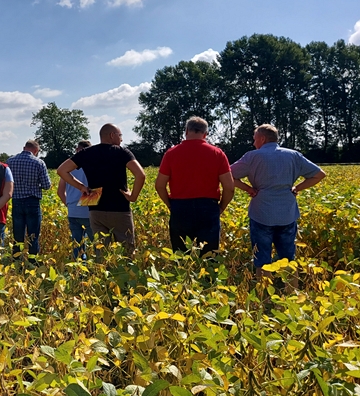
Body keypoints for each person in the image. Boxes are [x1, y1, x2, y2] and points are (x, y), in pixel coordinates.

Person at [231, 124, 326, 284]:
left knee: (261, 256)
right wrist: (297, 188)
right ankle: (291, 291)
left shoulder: (252, 156)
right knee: (288, 256)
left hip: (261, 212)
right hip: (287, 213)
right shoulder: (294, 155)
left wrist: (249, 189)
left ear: (262, 139)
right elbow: (319, 174)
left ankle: (264, 295)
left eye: (255, 139)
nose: (254, 143)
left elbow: (227, 175)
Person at [57, 124, 145, 256]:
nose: (121, 139)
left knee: (102, 252)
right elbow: (140, 175)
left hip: (95, 209)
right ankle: (124, 275)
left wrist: (81, 187)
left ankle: (103, 275)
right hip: (119, 208)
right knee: (127, 251)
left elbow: (61, 170)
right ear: (111, 135)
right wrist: (133, 196)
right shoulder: (121, 152)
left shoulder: (86, 153)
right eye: (120, 136)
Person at [154, 117, 234, 255]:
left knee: (182, 255)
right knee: (209, 256)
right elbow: (229, 187)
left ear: (186, 131)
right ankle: (207, 277)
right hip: (208, 207)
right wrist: (221, 207)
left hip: (180, 207)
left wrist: (169, 204)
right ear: (205, 134)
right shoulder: (217, 153)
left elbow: (159, 185)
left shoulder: (171, 153)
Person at [7, 140, 52, 258]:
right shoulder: (39, 163)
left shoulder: (10, 161)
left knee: (18, 236)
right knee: (33, 236)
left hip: (16, 201)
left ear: (24, 147)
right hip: (32, 202)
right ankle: (33, 261)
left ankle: (17, 261)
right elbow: (47, 185)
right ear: (36, 151)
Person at [57, 140, 92, 259]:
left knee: (77, 244)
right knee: (96, 244)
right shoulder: (92, 166)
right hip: (88, 210)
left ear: (77, 150)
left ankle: (78, 269)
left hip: (73, 211)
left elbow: (60, 192)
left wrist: (69, 204)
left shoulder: (68, 168)